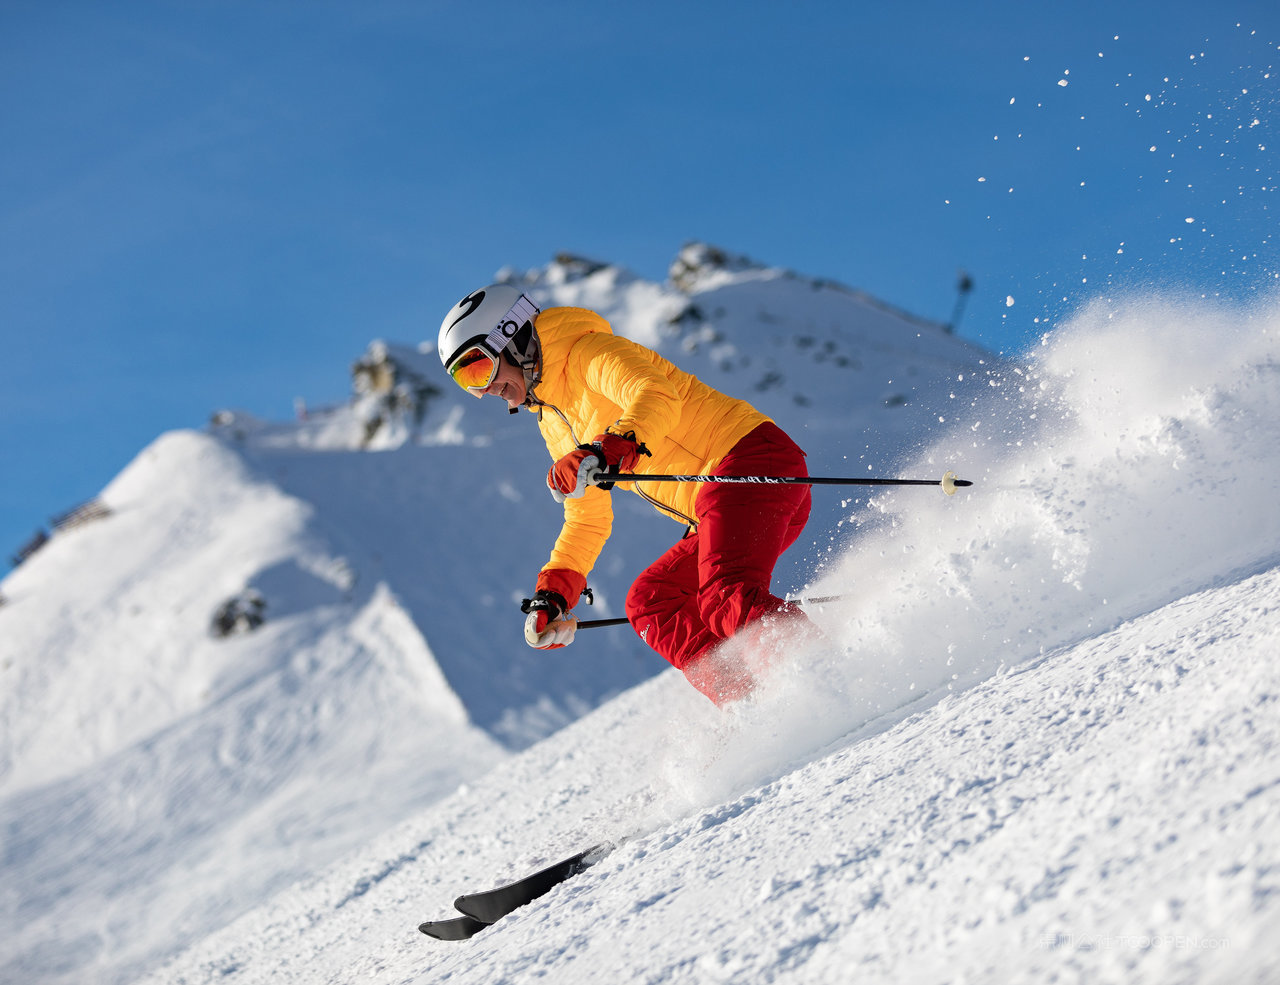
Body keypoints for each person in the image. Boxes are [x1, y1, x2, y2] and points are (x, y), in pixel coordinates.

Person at [438, 284, 815, 704]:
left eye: (480, 369)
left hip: (749, 461)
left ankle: (820, 672)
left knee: (723, 595)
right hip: (719, 505)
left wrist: (610, 446)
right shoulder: (553, 419)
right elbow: (587, 517)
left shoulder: (587, 352)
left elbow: (655, 393)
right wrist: (555, 592)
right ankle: (753, 703)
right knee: (653, 602)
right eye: (465, 382)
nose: (484, 390)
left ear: (513, 337)